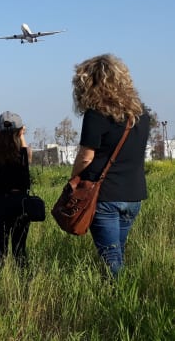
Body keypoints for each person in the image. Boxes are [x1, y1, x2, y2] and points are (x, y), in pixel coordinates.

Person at [71, 54, 149, 278]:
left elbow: (86, 156)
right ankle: (121, 296)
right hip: (133, 194)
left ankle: (118, 301)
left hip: (104, 196)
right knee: (118, 252)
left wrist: (73, 179)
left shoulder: (96, 114)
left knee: (111, 257)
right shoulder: (140, 114)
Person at [0, 111, 33, 270]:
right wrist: (20, 135)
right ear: (20, 131)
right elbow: (26, 152)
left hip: (0, 203)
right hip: (20, 202)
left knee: (0, 247)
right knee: (20, 249)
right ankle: (24, 282)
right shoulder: (24, 154)